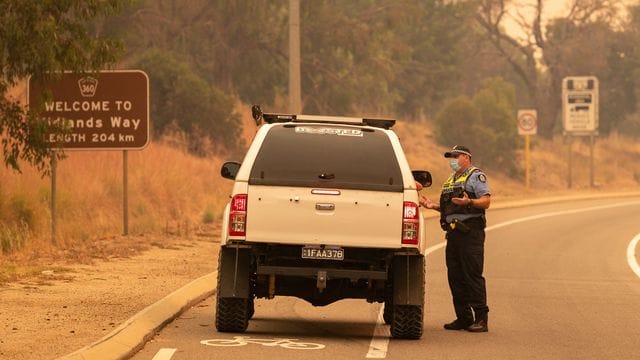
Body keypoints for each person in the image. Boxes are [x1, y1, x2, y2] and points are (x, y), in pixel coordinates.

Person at [420, 145, 491, 332]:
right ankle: (464, 318)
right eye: (451, 157)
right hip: (453, 234)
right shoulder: (451, 180)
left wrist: (470, 201)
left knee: (472, 275)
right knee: (455, 277)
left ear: (466, 157)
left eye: (456, 156)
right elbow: (449, 208)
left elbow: (486, 201)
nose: (452, 160)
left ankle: (481, 319)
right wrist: (432, 205)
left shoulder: (475, 176)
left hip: (470, 232)